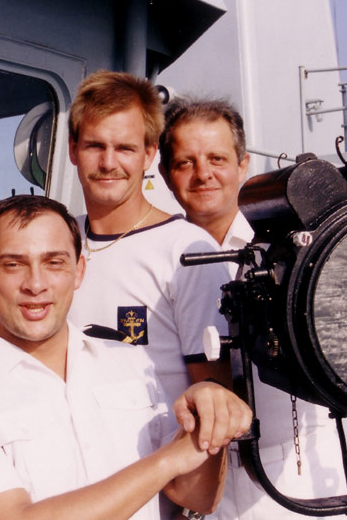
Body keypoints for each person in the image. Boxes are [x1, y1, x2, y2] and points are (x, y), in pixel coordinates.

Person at [0, 195, 252, 519]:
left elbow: (197, 496)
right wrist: (167, 461)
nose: (36, 284)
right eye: (13, 264)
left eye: (54, 263)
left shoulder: (126, 358)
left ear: (79, 270)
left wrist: (207, 419)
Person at [159, 96, 343, 519]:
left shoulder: (295, 247)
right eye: (185, 162)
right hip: (199, 477)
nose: (203, 173)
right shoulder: (160, 259)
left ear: (243, 166)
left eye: (217, 158)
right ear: (168, 177)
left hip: (294, 471)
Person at [65, 71, 233, 418]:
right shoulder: (57, 244)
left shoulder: (187, 252)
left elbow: (214, 406)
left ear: (148, 155)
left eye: (125, 148)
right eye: (95, 145)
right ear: (73, 150)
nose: (109, 163)